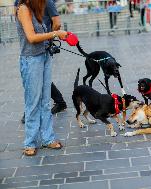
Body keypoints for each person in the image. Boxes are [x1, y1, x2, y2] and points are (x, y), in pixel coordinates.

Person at [16, 0, 67, 156]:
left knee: (45, 102)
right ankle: (30, 142)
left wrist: (53, 37)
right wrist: (55, 33)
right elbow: (31, 37)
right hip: (31, 61)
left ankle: (48, 138)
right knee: (33, 102)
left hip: (44, 56)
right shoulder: (24, 9)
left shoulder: (37, 9)